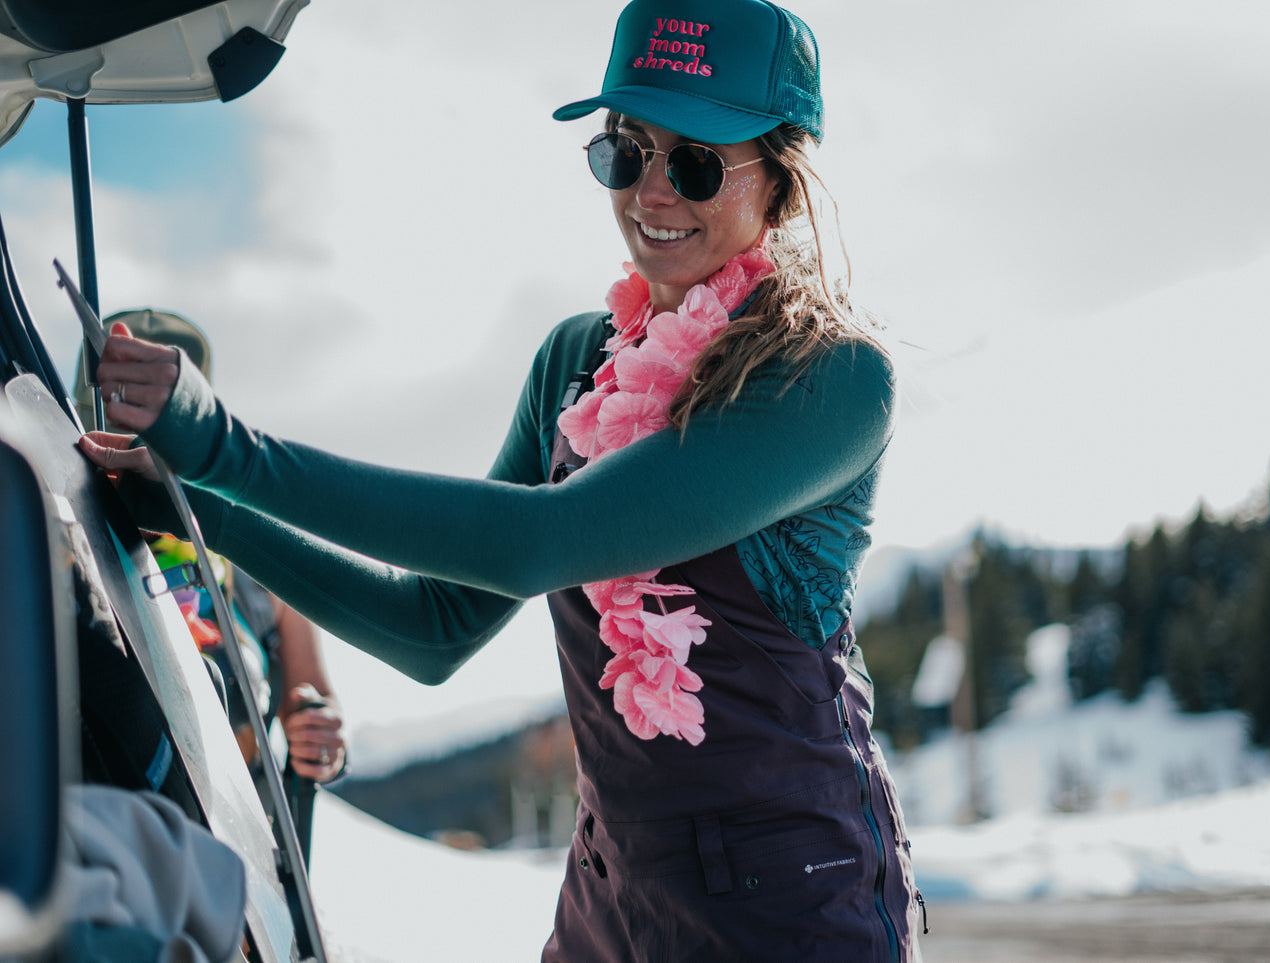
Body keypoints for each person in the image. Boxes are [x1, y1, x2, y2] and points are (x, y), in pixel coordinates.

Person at [81, 0, 922, 958]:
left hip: (791, 910)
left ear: (782, 183)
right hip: (610, 896)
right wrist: (200, 511)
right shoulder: (574, 359)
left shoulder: (833, 376)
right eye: (625, 150)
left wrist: (225, 448)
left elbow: (538, 542)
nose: (650, 193)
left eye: (694, 162)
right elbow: (436, 626)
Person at [77, 309, 348, 789]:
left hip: (244, 851)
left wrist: (321, 742)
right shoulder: (63, 553)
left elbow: (316, 708)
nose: (142, 456)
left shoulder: (258, 567)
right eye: (123, 433)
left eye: (161, 435)